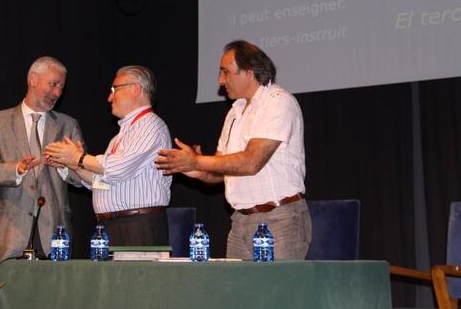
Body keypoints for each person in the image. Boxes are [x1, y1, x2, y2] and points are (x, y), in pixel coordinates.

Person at [155, 40, 311, 260]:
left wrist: (197, 161)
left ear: (249, 71)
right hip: (240, 222)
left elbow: (250, 162)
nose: (220, 80)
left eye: (225, 72)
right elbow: (222, 170)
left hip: (280, 221)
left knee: (278, 293)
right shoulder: (235, 112)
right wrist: (195, 169)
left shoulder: (278, 102)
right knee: (236, 293)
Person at [44, 65, 172, 246]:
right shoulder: (119, 137)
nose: (110, 97)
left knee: (138, 275)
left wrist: (78, 157)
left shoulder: (150, 125)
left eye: (115, 89)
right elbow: (103, 182)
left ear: (136, 89)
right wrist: (73, 165)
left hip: (138, 226)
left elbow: (118, 167)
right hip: (114, 226)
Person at [0, 56, 84, 259]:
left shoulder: (68, 126)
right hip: (8, 233)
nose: (58, 93)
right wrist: (16, 168)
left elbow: (83, 178)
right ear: (33, 79)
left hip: (54, 234)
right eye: (53, 84)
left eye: (61, 87)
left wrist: (65, 166)